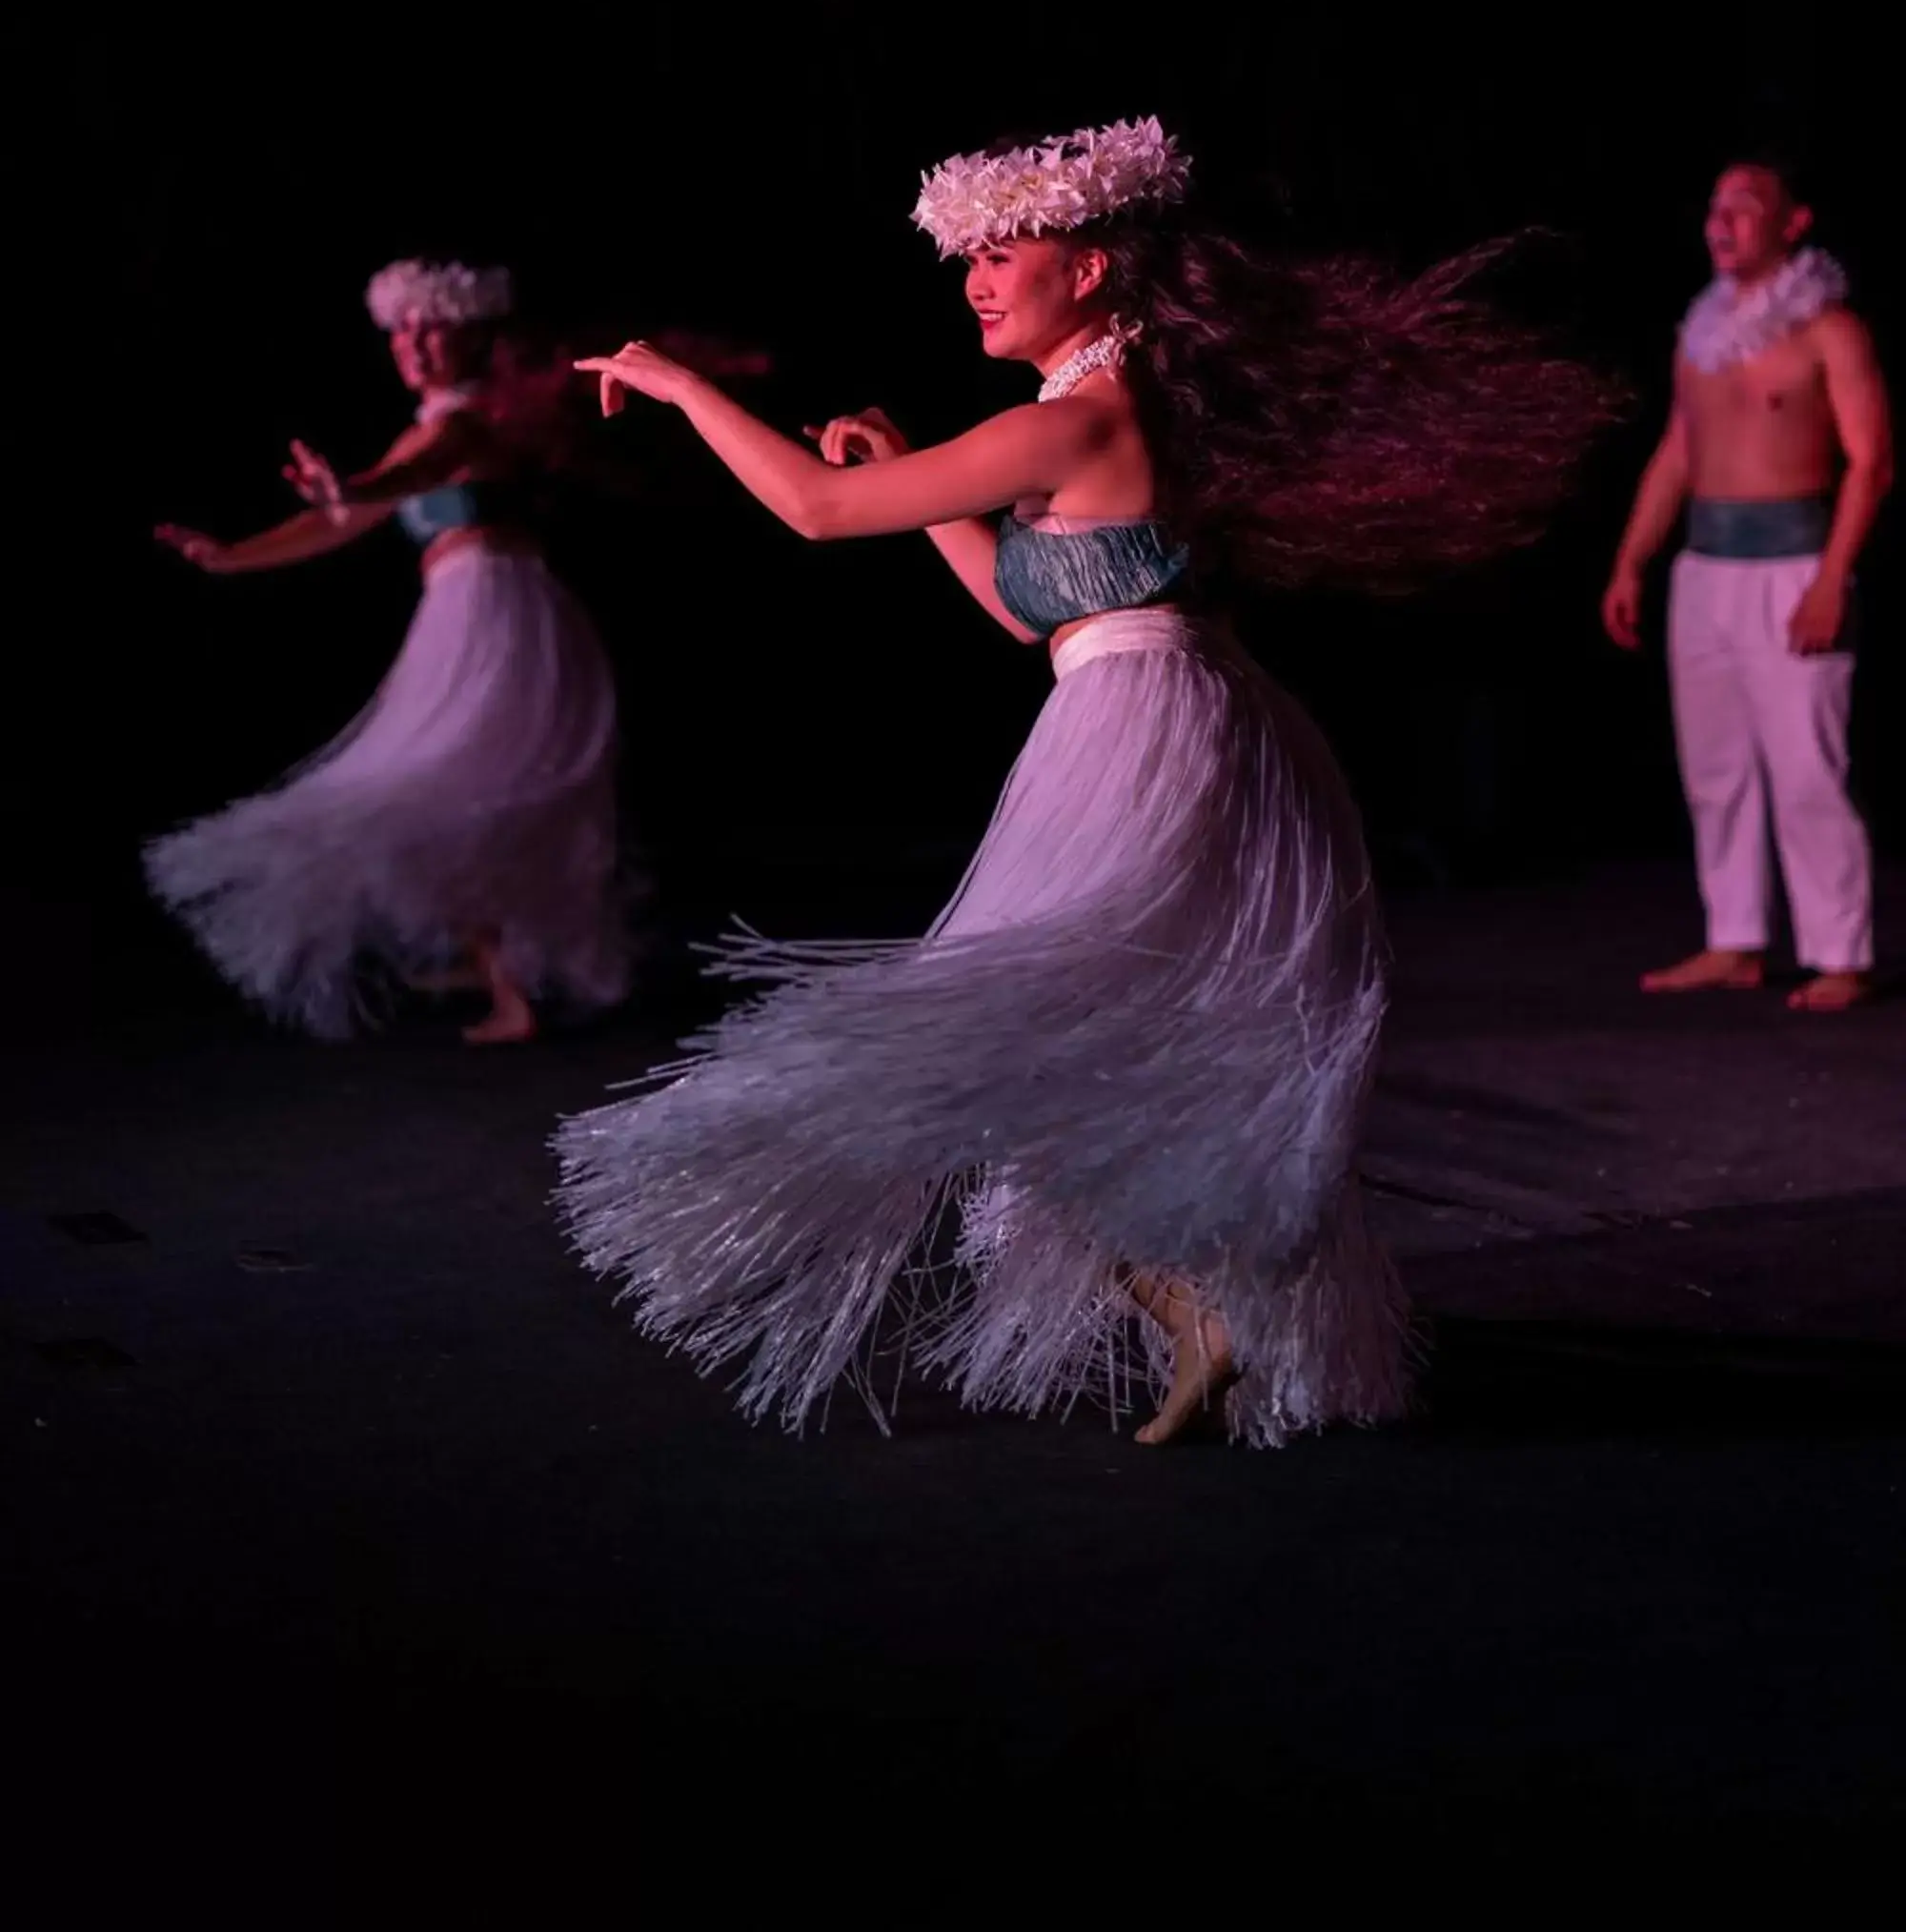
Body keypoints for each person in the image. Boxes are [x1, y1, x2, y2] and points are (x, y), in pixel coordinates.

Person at [556, 119, 1619, 1448]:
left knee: (1011, 1049)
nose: (977, 281)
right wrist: (923, 489)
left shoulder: (1076, 420)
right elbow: (1031, 617)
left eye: (1006, 252)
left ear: (1097, 268)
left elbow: (812, 517)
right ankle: (1202, 1306)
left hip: (1150, 733)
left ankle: (1200, 1300)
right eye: (969, 258)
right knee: (1084, 1056)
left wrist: (678, 388)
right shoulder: (1119, 414)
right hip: (1161, 714)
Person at [147, 258, 629, 1046]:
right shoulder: (435, 421)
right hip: (475, 607)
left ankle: (512, 990)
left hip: (493, 608)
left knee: (455, 783)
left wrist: (354, 491)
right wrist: (232, 556)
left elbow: (405, 478)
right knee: (458, 784)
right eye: (403, 330)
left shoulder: (466, 422)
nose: (414, 343)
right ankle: (493, 963)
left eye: (433, 328)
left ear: (473, 339)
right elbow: (347, 516)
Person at [1603, 162, 1893, 1011]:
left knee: (1806, 768)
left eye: (1744, 207)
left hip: (1795, 569)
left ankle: (1841, 952)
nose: (1720, 222)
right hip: (1706, 571)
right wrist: (1631, 559)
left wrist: (1832, 578)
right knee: (1716, 768)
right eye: (1713, 207)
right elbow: (1676, 454)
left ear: (1793, 222)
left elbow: (1872, 465)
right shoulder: (1700, 333)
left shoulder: (1828, 333)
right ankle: (1735, 940)